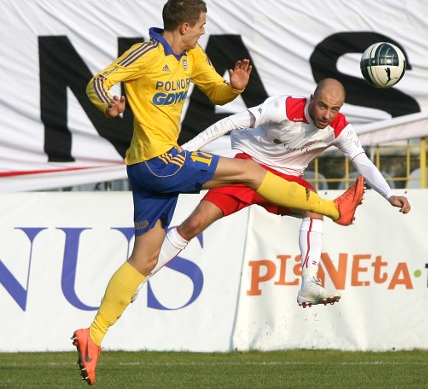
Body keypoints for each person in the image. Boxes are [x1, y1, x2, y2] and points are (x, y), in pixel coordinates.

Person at [72, 0, 364, 387]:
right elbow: (98, 82)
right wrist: (110, 103)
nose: (204, 30)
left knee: (143, 260)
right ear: (184, 27)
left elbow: (217, 93)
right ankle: (333, 210)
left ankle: (93, 337)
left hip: (151, 169)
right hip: (159, 162)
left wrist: (234, 87)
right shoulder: (144, 53)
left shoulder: (191, 58)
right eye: (201, 25)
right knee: (248, 171)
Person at [134, 78, 411, 311]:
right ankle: (138, 278)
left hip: (287, 180)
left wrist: (389, 194)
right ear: (311, 98)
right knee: (193, 224)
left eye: (334, 109)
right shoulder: (282, 108)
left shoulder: (338, 128)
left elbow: (360, 158)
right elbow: (228, 123)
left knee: (315, 209)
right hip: (246, 167)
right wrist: (184, 153)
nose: (327, 115)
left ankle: (309, 284)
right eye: (323, 106)